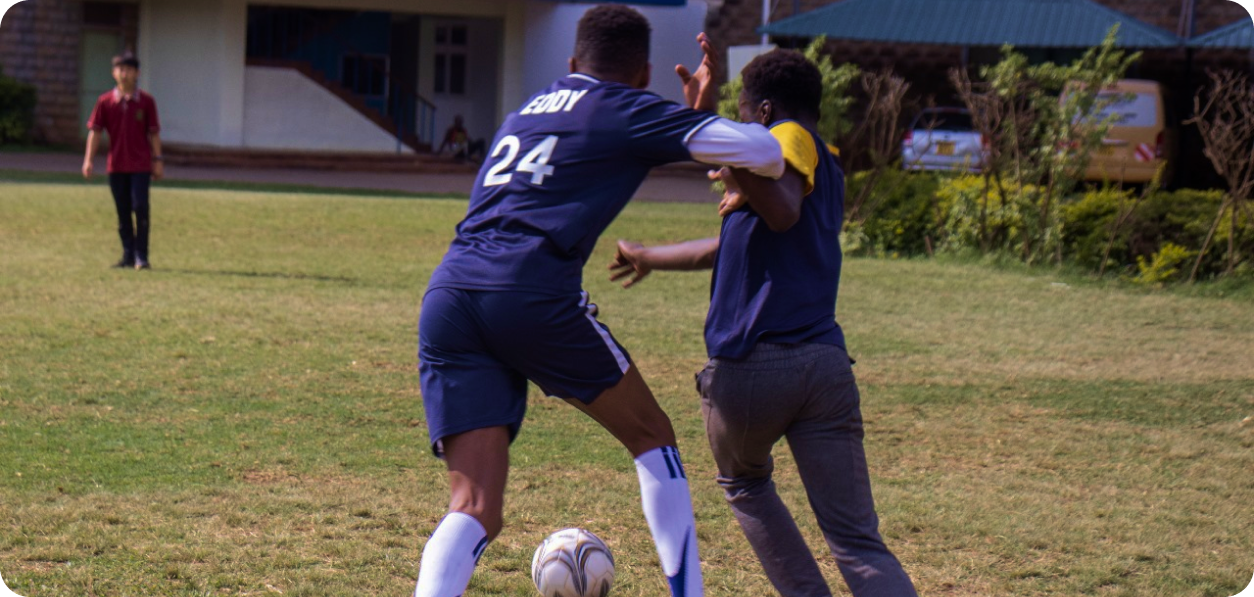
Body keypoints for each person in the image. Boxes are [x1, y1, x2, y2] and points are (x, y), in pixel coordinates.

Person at [413, 6, 785, 597]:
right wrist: (698, 117)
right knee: (652, 435)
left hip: (450, 294)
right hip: (529, 289)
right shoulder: (625, 107)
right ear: (644, 73)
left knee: (474, 504)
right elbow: (764, 152)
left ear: (571, 62)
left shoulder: (524, 112)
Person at [608, 49, 919, 597]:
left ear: (767, 111)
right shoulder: (827, 165)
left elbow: (782, 210)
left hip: (753, 367)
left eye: (744, 113)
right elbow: (729, 245)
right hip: (825, 368)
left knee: (745, 483)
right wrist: (652, 256)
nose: (740, 128)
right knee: (856, 538)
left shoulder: (785, 137)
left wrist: (729, 158)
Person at [83, 52, 164, 270]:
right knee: (123, 210)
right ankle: (128, 255)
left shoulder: (146, 101)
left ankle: (141, 256)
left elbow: (154, 133)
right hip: (116, 165)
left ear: (137, 73)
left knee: (140, 207)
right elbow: (95, 132)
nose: (124, 74)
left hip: (140, 165)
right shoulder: (105, 102)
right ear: (113, 73)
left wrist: (158, 159)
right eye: (120, 69)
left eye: (129, 69)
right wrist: (88, 160)